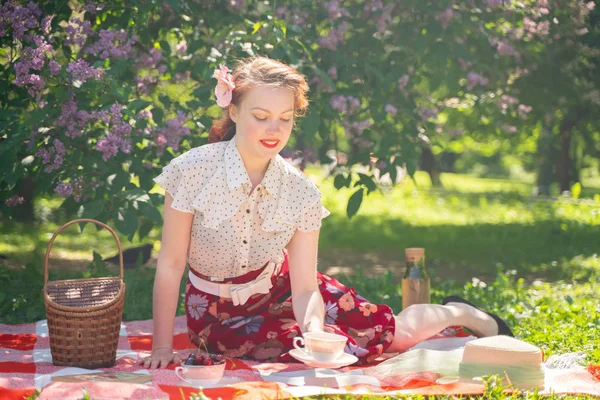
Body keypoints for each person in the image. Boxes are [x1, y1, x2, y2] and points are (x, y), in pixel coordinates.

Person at [139, 56, 511, 369]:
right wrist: (161, 347)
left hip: (285, 293)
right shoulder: (192, 170)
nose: (274, 129)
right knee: (306, 352)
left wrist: (314, 328)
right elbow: (171, 264)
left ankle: (462, 313)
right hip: (214, 315)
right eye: (261, 116)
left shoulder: (301, 191)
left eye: (285, 118)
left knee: (392, 336)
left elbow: (303, 287)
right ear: (233, 110)